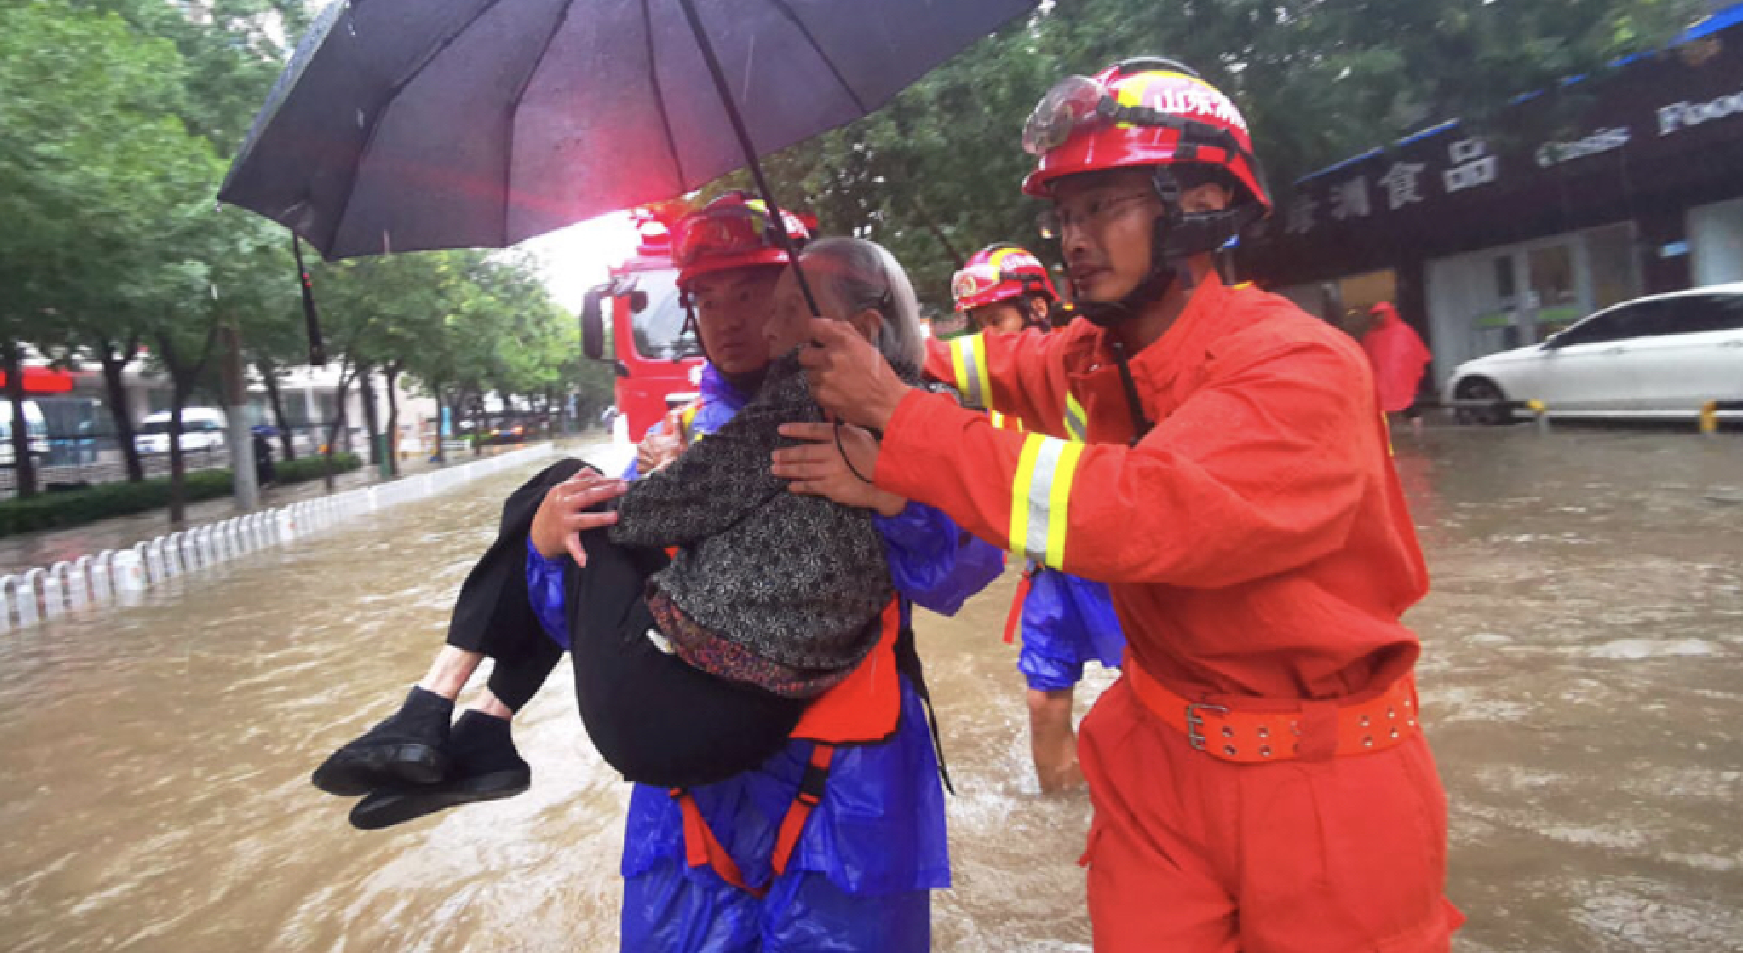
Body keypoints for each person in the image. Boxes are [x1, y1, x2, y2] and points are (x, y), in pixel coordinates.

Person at [780, 59, 1462, 952]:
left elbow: (1140, 511)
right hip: (1156, 758)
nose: (1075, 236)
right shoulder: (1097, 354)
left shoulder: (1302, 364)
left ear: (1203, 199)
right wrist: (855, 326)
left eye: (1104, 205)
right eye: (1066, 213)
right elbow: (977, 366)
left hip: (1320, 782)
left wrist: (899, 421)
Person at [320, 198, 997, 951]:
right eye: (706, 297)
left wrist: (895, 488)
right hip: (688, 810)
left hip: (849, 799)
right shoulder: (664, 443)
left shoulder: (905, 418)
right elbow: (578, 624)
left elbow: (960, 569)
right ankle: (472, 727)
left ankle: (460, 720)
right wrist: (546, 544)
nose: (732, 318)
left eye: (754, 293)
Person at [948, 244, 1126, 793]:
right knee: (1044, 692)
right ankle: (1061, 807)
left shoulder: (1080, 365)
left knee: (1151, 685)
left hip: (1116, 563)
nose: (985, 338)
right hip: (1050, 566)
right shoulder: (997, 388)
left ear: (1038, 310)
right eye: (977, 324)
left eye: (995, 320)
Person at [1361, 301, 1432, 436]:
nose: (1379, 318)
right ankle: (1389, 439)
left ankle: (1418, 437)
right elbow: (1366, 357)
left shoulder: (1404, 331)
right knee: (1382, 409)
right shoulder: (1371, 336)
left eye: (1381, 314)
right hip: (1381, 380)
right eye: (1376, 315)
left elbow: (1416, 353)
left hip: (1402, 381)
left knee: (1409, 407)